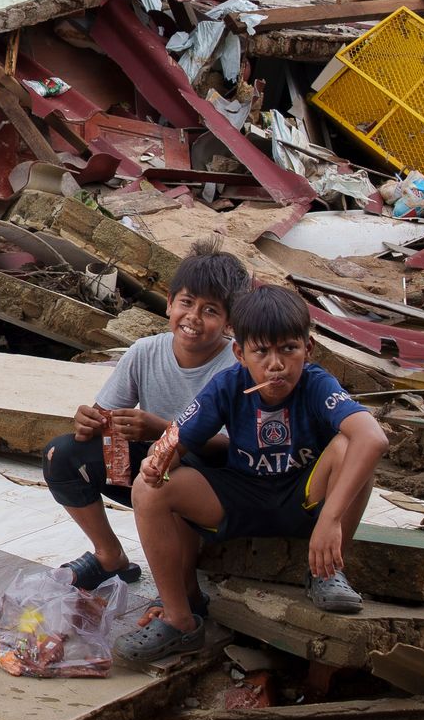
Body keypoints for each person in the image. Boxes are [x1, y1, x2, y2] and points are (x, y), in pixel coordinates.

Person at [114, 282, 389, 666]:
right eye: (262, 352)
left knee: (350, 447)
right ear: (240, 354)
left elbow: (373, 438)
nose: (276, 364)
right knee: (150, 487)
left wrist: (330, 519)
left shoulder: (316, 383)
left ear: (307, 349)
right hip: (239, 497)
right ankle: (180, 619)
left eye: (288, 349)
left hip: (303, 498)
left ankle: (327, 571)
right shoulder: (228, 385)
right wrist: (158, 460)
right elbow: (176, 438)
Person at [40, 247, 250, 590]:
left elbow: (232, 448)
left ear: (229, 323)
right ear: (169, 303)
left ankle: (181, 592)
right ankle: (109, 555)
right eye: (187, 302)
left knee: (179, 467)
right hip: (151, 469)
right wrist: (88, 423)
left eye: (210, 310)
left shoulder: (237, 363)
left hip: (207, 479)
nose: (193, 317)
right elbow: (104, 421)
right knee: (61, 455)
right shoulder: (145, 352)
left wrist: (162, 430)